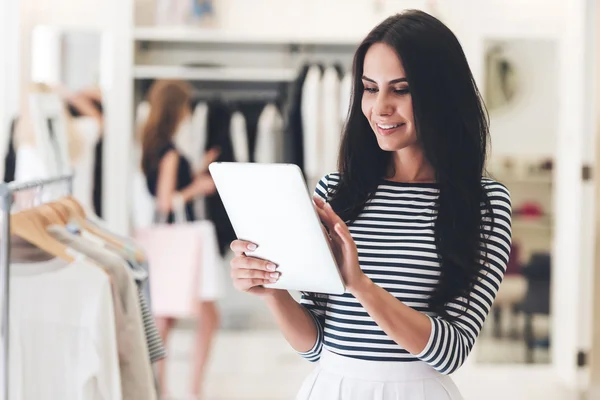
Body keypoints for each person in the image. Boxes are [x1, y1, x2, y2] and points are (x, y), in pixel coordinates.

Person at [229, 10, 512, 400]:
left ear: (440, 94)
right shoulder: (335, 192)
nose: (379, 107)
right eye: (369, 87)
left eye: (401, 89)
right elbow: (315, 345)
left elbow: (451, 351)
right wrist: (272, 291)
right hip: (331, 388)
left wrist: (359, 284)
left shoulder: (483, 204)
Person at [141, 79, 221, 400]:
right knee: (206, 318)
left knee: (165, 319)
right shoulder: (170, 152)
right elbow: (166, 201)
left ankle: (161, 390)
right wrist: (198, 187)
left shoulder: (152, 146)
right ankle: (193, 390)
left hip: (163, 241)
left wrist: (197, 168)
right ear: (177, 108)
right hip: (179, 243)